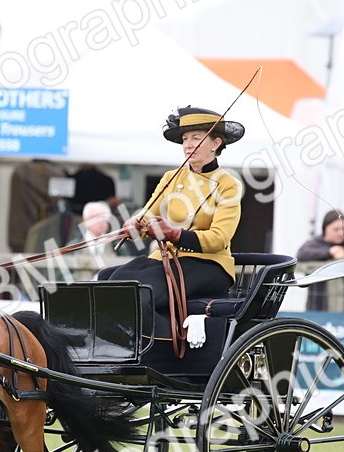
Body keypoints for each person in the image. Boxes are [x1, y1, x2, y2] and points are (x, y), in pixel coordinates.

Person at [100, 106, 245, 315]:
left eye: (196, 138)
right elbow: (148, 213)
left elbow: (219, 238)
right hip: (169, 258)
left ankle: (150, 344)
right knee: (106, 277)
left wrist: (175, 234)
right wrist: (135, 225)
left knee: (138, 287)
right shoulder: (171, 177)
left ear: (216, 143)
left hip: (209, 264)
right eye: (185, 139)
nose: (188, 145)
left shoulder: (228, 184)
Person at [296, 209, 344, 311]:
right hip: (318, 308)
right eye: (336, 229)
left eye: (343, 229)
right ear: (325, 228)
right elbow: (301, 253)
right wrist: (329, 252)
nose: (341, 233)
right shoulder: (314, 244)